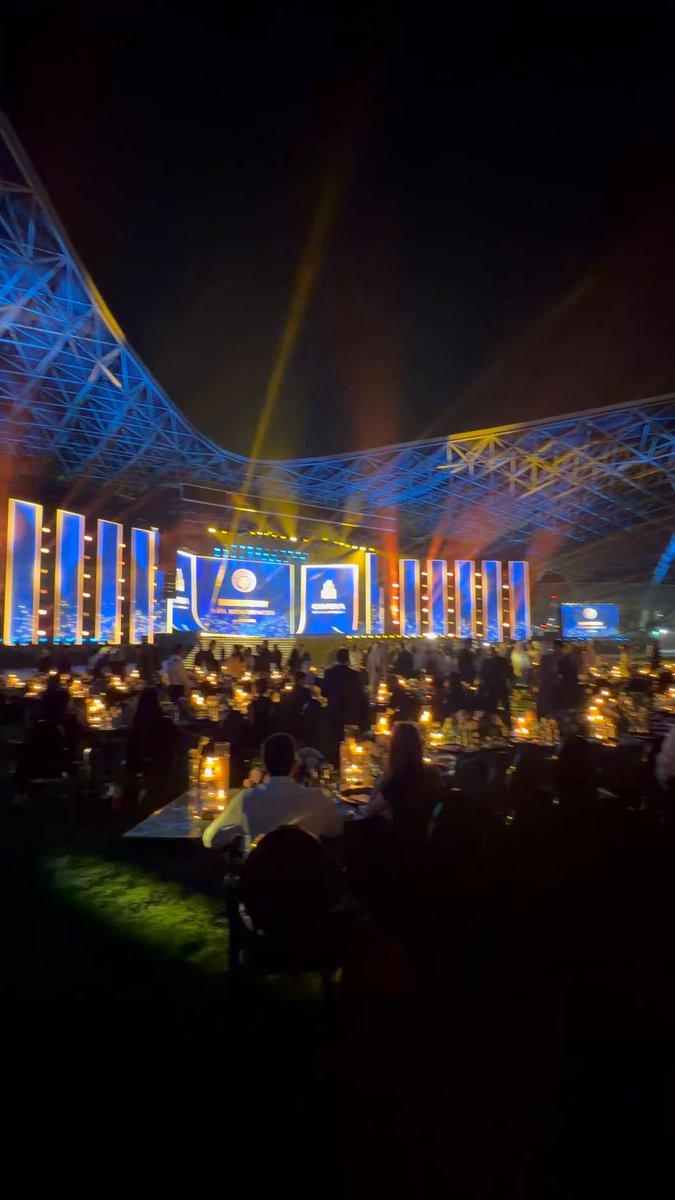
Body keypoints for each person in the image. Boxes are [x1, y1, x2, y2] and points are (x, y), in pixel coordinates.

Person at [203, 732, 343, 849]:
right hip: (307, 873)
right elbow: (336, 829)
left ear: (264, 765)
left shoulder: (247, 799)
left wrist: (239, 834)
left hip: (261, 873)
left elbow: (209, 839)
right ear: (295, 765)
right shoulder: (317, 799)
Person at [365, 722, 443, 838]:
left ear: (394, 748)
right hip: (423, 837)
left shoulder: (398, 779)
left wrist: (384, 776)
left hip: (399, 840)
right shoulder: (432, 772)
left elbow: (370, 809)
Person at [322, 647, 366, 738]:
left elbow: (324, 692)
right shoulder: (354, 674)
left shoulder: (329, 673)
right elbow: (360, 693)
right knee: (348, 738)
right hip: (349, 712)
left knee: (334, 737)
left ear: (337, 659)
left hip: (333, 710)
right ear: (348, 660)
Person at [478, 646, 511, 725]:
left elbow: (482, 675)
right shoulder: (502, 660)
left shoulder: (486, 661)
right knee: (505, 707)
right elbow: (508, 673)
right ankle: (506, 723)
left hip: (492, 688)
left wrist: (484, 688)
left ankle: (495, 724)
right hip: (500, 687)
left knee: (493, 708)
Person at [248, 677, 276, 748]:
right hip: (270, 734)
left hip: (257, 736)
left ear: (257, 688)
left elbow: (251, 723)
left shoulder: (254, 704)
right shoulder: (271, 702)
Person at [553, 640, 578, 711]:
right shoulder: (553, 660)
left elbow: (572, 679)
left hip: (563, 693)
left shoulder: (567, 662)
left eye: (555, 648)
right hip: (556, 693)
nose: (554, 650)